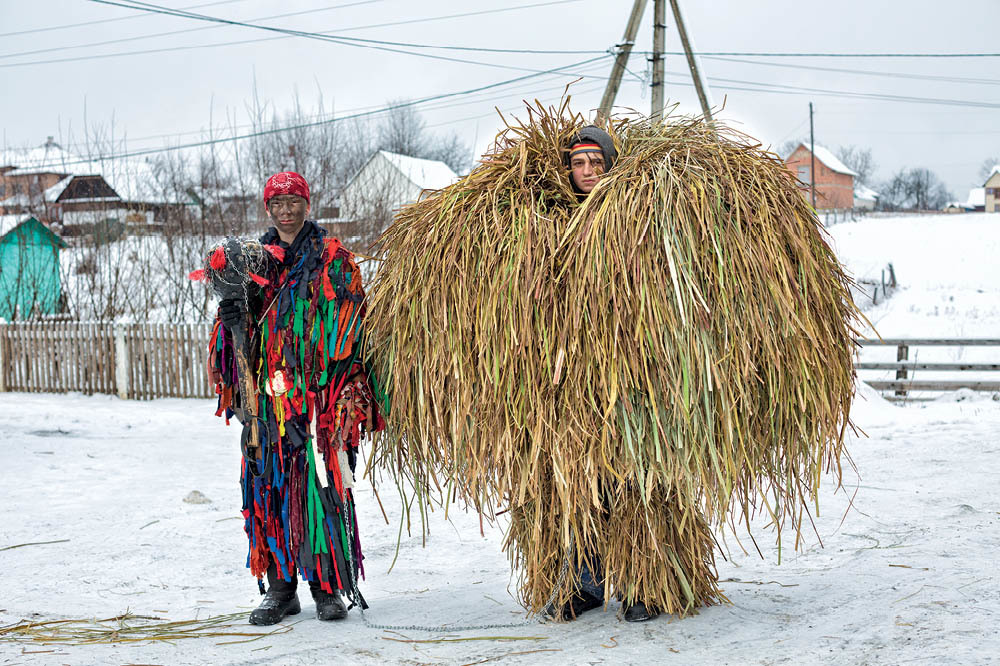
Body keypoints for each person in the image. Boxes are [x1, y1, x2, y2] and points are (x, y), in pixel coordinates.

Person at [206, 171, 384, 626]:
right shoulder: (253, 261)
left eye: (293, 201)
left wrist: (334, 388)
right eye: (277, 203)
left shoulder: (332, 259)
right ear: (268, 208)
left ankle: (326, 587)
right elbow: (237, 337)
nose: (286, 210)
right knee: (268, 488)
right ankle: (282, 589)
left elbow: (351, 326)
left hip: (318, 400)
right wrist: (231, 314)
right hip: (267, 403)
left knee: (321, 487)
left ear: (307, 204)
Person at [545, 127, 657, 624]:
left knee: (635, 479)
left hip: (632, 374)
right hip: (572, 378)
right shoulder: (552, 220)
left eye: (596, 162)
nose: (587, 171)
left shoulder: (636, 213)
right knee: (578, 481)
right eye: (578, 163)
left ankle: (644, 583)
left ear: (612, 164)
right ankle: (586, 585)